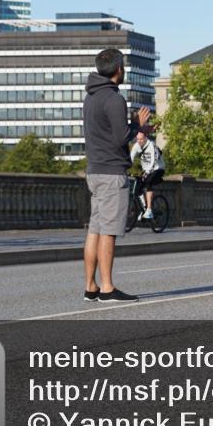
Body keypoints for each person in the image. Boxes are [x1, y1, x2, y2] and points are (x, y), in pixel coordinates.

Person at [82, 48, 150, 303]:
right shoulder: (114, 98)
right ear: (119, 69)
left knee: (95, 230)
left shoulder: (90, 97)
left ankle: (91, 286)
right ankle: (107, 288)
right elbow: (121, 137)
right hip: (112, 172)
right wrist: (138, 125)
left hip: (95, 170)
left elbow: (106, 130)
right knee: (108, 232)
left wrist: (130, 123)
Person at [129, 127, 164, 220]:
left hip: (158, 169)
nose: (139, 141)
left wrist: (147, 172)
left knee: (148, 182)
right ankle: (144, 208)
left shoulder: (151, 145)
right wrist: (125, 169)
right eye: (137, 139)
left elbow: (154, 161)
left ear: (145, 138)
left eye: (141, 139)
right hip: (146, 170)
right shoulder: (136, 146)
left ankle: (149, 210)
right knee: (138, 188)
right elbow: (130, 159)